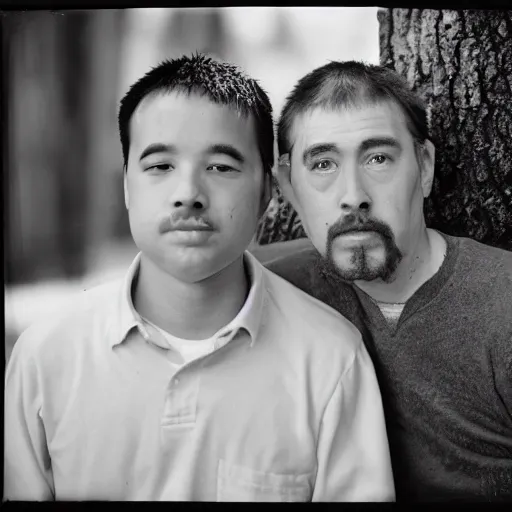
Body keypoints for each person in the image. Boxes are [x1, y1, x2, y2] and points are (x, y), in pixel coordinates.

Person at [4, 54, 394, 502]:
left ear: (267, 192)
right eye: (160, 167)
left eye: (221, 167)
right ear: (128, 186)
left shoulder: (331, 359)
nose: (188, 194)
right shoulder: (45, 356)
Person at [254, 60, 512, 502]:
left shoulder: (502, 307)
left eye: (378, 158)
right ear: (288, 185)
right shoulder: (268, 290)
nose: (353, 194)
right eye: (322, 163)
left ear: (424, 167)